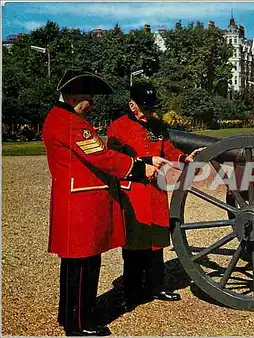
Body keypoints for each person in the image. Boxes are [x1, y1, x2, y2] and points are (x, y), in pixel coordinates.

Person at [42, 70, 157, 336]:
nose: (91, 103)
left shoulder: (60, 118)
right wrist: (138, 169)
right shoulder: (71, 123)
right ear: (72, 97)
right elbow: (102, 158)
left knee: (73, 267)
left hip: (75, 197)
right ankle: (80, 325)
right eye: (87, 98)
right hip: (83, 202)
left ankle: (69, 316)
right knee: (84, 266)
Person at [107, 82, 204, 312]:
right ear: (132, 105)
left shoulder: (158, 126)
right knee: (134, 244)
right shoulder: (117, 128)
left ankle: (157, 286)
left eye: (151, 108)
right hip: (134, 191)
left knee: (157, 241)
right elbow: (113, 158)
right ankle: (131, 292)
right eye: (145, 108)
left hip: (156, 191)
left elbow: (168, 151)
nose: (149, 113)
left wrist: (183, 159)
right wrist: (144, 162)